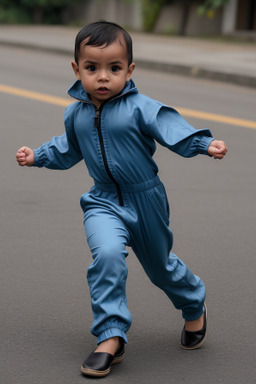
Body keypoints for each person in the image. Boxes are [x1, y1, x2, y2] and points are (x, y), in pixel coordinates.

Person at [16, 21, 227, 378]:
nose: (103, 77)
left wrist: (203, 144)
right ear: (76, 69)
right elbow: (67, 149)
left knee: (161, 268)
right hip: (101, 201)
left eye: (114, 68)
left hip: (145, 198)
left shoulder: (141, 107)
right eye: (92, 68)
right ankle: (111, 337)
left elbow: (171, 127)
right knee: (108, 255)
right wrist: (37, 155)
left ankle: (193, 304)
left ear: (129, 70)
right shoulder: (76, 113)